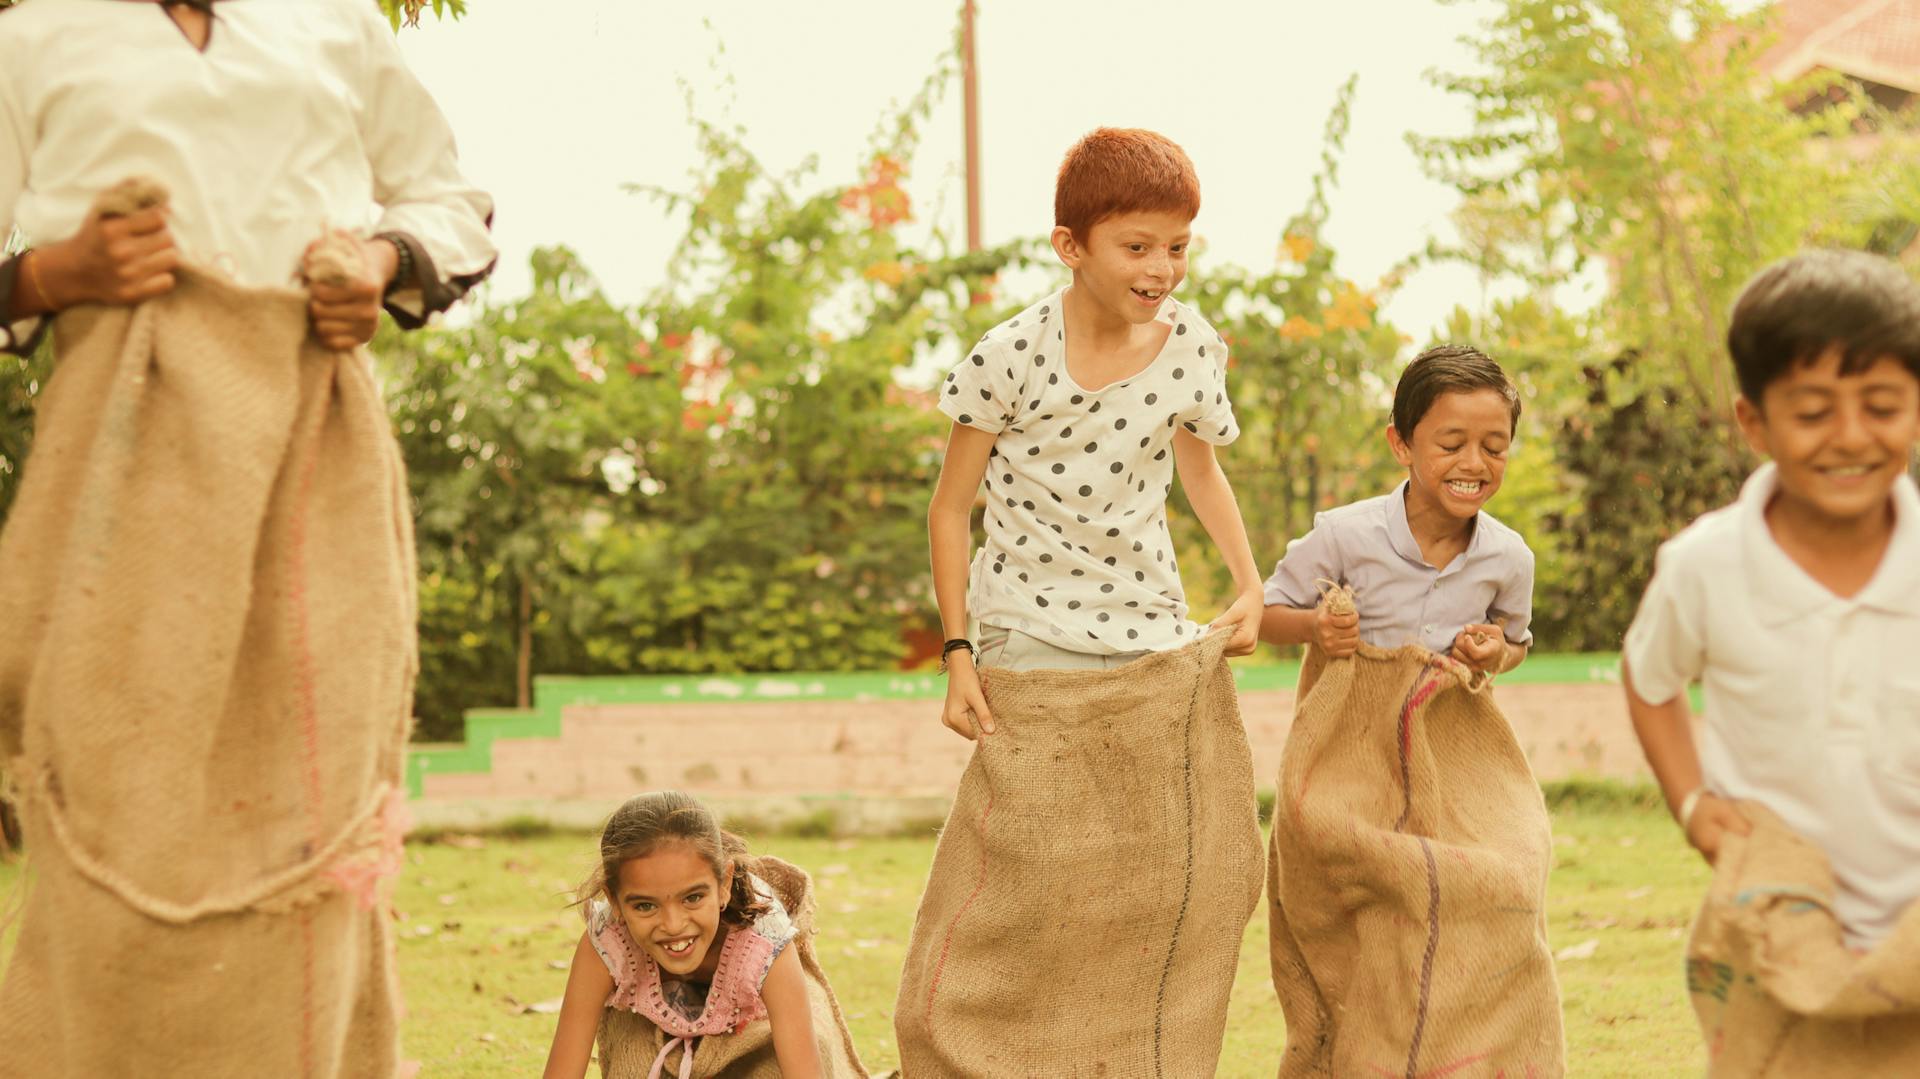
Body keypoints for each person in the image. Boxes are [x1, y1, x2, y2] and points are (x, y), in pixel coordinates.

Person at [0, 2, 493, 1075]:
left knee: (307, 824)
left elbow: (451, 205)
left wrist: (378, 261)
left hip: (314, 468)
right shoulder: (34, 35)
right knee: (114, 795)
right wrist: (52, 275)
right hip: (120, 473)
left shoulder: (329, 23)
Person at [1623, 248, 1920, 950]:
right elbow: (1648, 676)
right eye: (1814, 412)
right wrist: (1692, 803)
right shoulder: (1704, 567)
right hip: (1770, 931)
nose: (1851, 436)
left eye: (1881, 407)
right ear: (1754, 423)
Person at [929, 125, 1263, 728]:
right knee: (1037, 819)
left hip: (1151, 632)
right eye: (1137, 248)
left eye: (1178, 247)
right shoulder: (1007, 355)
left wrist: (1250, 584)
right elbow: (950, 509)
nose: (1161, 269)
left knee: (1156, 821)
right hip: (1027, 637)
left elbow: (1202, 472)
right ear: (1070, 245)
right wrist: (959, 652)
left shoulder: (1191, 348)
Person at [1260, 344, 1533, 676]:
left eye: (1494, 448)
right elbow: (1262, 615)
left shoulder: (1510, 557)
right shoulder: (1343, 536)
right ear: (1402, 444)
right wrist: (1313, 626)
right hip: (1354, 726)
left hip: (1448, 727)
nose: (1474, 464)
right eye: (1451, 446)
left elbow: (1516, 643)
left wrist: (1498, 653)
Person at [543, 792, 825, 1079]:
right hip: (652, 1028)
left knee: (809, 1048)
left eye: (692, 898)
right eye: (645, 905)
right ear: (614, 901)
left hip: (753, 1024)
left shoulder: (763, 940)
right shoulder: (607, 943)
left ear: (724, 883)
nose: (673, 925)